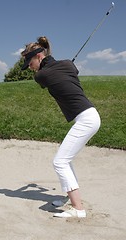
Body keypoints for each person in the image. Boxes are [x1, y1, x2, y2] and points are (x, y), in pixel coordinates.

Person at [21, 36, 101, 218]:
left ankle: (78, 209)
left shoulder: (41, 75)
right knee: (66, 159)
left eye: (30, 62)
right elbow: (73, 70)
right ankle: (70, 198)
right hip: (90, 115)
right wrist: (59, 66)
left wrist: (50, 68)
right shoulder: (67, 64)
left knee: (59, 161)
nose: (30, 67)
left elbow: (44, 78)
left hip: (86, 119)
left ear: (39, 56)